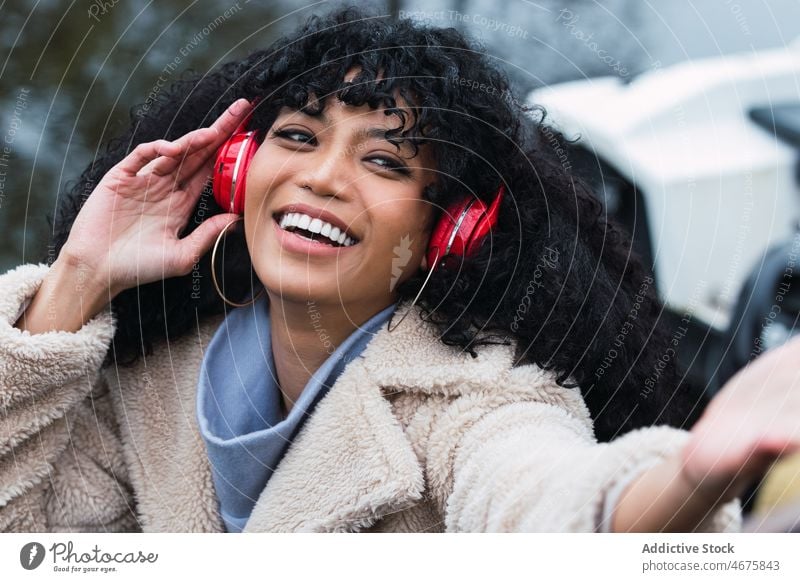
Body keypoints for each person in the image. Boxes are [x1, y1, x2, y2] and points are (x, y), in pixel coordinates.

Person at [1, 6, 797, 533]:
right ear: (238, 173)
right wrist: (81, 275)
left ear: (441, 232)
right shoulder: (151, 381)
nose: (321, 177)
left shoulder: (472, 403)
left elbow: (546, 504)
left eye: (383, 160)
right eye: (301, 138)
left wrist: (698, 473)